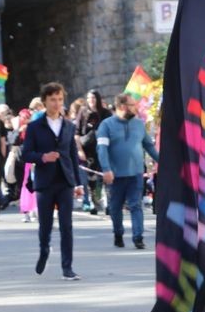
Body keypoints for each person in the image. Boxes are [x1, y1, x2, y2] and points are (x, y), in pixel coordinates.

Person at [21, 82, 85, 281]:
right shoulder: (34, 127)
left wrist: (79, 183)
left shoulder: (69, 126)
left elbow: (73, 156)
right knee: (46, 225)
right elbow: (26, 154)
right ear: (45, 101)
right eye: (52, 100)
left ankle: (68, 267)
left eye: (59, 99)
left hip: (65, 180)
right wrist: (42, 157)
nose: (57, 103)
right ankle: (44, 251)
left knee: (67, 225)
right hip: (45, 182)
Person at [97, 94, 159, 249]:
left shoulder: (139, 125)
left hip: (136, 173)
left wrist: (162, 161)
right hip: (115, 175)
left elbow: (148, 146)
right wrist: (106, 169)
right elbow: (102, 149)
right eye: (132, 105)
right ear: (122, 106)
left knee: (135, 205)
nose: (135, 107)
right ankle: (118, 232)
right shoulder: (106, 125)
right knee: (115, 207)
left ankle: (138, 237)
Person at [77, 90, 112, 215]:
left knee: (103, 175)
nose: (91, 100)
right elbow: (77, 133)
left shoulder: (106, 113)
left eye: (93, 98)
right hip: (88, 150)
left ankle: (107, 202)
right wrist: (80, 150)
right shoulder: (83, 112)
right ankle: (94, 202)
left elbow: (112, 130)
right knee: (91, 178)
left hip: (103, 148)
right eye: (89, 98)